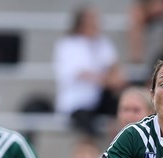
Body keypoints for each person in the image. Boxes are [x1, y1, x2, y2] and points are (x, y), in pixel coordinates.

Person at [53, 6, 127, 136]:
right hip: (77, 103)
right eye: (92, 21)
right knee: (90, 129)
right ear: (81, 23)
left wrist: (116, 79)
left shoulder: (102, 42)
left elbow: (113, 66)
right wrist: (107, 80)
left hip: (98, 99)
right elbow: (82, 73)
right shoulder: (68, 45)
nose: (96, 24)